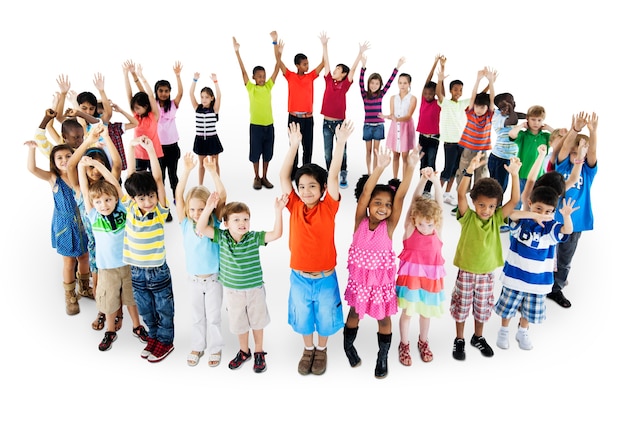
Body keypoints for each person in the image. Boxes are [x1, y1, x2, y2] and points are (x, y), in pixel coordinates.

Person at [279, 120, 354, 376]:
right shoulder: (294, 206)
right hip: (299, 277)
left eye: (312, 186)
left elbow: (333, 175)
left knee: (325, 318)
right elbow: (283, 176)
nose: (306, 191)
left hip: (325, 278)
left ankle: (321, 350)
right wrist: (294, 146)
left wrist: (340, 142)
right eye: (302, 186)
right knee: (302, 317)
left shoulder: (328, 207)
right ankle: (308, 349)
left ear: (322, 189)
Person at [343, 146, 419, 379]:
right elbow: (366, 191)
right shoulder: (360, 221)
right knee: (354, 314)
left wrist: (410, 166)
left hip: (381, 285)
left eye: (387, 205)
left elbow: (402, 196)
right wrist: (380, 167)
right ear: (367, 204)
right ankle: (348, 346)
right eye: (378, 203)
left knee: (384, 318)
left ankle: (383, 355)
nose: (383, 208)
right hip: (360, 282)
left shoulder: (390, 226)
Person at [196, 191, 288, 374]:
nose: (242, 223)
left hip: (255, 289)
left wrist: (278, 211)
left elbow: (276, 234)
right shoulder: (221, 237)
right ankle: (244, 351)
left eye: (246, 219)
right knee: (239, 324)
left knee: (257, 321)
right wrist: (208, 209)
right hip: (233, 291)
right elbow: (201, 228)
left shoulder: (254, 237)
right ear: (226, 223)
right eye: (236, 220)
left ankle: (259, 352)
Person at [450, 151, 521, 360]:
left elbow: (515, 199)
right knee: (461, 307)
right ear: (474, 203)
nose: (486, 210)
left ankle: (478, 337)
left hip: (487, 274)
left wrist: (515, 175)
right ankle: (460, 339)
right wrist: (469, 172)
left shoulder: (497, 219)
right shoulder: (467, 217)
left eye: (491, 206)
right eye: (481, 205)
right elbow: (461, 195)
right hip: (466, 272)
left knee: (482, 309)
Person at [77, 155, 149, 351]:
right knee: (109, 302)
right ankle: (110, 331)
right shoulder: (93, 215)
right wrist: (82, 168)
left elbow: (115, 185)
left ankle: (137, 326)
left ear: (115, 200)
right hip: (107, 269)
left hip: (127, 265)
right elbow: (85, 192)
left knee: (131, 298)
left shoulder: (122, 210)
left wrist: (98, 165)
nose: (104, 205)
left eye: (108, 200)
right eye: (99, 202)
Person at [494, 186, 576, 351]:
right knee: (507, 307)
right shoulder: (523, 221)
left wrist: (566, 216)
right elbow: (513, 215)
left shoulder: (551, 227)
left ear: (553, 211)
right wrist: (534, 215)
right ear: (530, 203)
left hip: (538, 280)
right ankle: (503, 331)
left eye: (547, 211)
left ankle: (523, 331)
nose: (543, 214)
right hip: (515, 275)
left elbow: (567, 230)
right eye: (539, 208)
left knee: (529, 310)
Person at [123, 136, 175, 363]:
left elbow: (157, 178)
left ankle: (166, 341)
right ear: (134, 199)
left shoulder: (160, 211)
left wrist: (151, 150)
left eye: (151, 196)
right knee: (145, 309)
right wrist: (132, 149)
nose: (148, 201)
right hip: (135, 270)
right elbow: (129, 178)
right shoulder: (131, 208)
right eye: (142, 197)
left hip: (157, 270)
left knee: (163, 308)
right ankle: (153, 336)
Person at [67, 123, 123, 329]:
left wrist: (107, 138)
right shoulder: (80, 189)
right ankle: (103, 311)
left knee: (118, 282)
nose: (95, 170)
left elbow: (116, 163)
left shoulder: (110, 187)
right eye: (91, 166)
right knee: (98, 283)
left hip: (115, 244)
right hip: (95, 246)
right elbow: (72, 165)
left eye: (99, 165)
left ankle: (118, 313)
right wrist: (88, 143)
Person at [25, 136, 88, 316]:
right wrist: (32, 149)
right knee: (69, 261)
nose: (64, 160)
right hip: (65, 225)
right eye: (59, 157)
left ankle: (84, 287)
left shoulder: (79, 175)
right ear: (53, 161)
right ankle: (70, 295)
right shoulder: (54, 178)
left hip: (82, 223)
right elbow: (32, 169)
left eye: (68, 156)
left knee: (84, 257)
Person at [175, 153, 226, 367]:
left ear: (209, 207)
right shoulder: (185, 223)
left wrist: (213, 173)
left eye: (201, 208)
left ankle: (215, 348)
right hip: (194, 280)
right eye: (193, 209)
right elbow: (179, 196)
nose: (196, 213)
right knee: (197, 316)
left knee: (213, 317)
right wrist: (186, 171)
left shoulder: (213, 223)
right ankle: (198, 345)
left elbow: (222, 195)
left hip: (214, 279)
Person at [396, 166, 446, 365]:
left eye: (430, 224)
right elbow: (412, 203)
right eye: (421, 224)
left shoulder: (437, 230)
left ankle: (423, 341)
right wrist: (422, 180)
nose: (426, 228)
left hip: (430, 280)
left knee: (426, 313)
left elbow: (440, 206)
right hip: (412, 280)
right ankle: (404, 344)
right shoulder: (410, 229)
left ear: (436, 222)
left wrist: (435, 182)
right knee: (408, 313)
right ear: (413, 221)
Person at [547, 112, 598, 308]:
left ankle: (556, 287)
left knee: (565, 257)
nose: (577, 155)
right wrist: (575, 129)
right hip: (554, 219)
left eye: (581, 153)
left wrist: (593, 133)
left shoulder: (587, 170)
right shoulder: (563, 165)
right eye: (575, 151)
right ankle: (540, 284)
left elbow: (592, 154)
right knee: (548, 252)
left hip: (575, 222)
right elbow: (566, 147)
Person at [272, 30, 324, 179]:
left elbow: (323, 63)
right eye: (304, 64)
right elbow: (278, 61)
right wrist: (275, 43)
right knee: (294, 147)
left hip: (308, 119)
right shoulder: (290, 76)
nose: (307, 66)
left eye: (308, 63)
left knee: (308, 147)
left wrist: (323, 46)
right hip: (294, 118)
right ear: (297, 65)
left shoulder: (311, 76)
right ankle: (293, 172)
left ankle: (306, 171)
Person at [319, 34, 369, 188]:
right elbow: (326, 62)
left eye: (338, 69)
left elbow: (353, 69)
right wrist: (324, 45)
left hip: (340, 124)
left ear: (343, 75)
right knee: (328, 152)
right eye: (335, 68)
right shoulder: (328, 80)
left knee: (343, 151)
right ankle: (330, 175)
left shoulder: (345, 84)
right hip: (326, 122)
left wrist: (360, 53)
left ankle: (343, 172)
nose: (334, 70)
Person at [233, 35, 281, 190]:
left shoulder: (268, 86)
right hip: (256, 126)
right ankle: (256, 177)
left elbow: (277, 68)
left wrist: (277, 49)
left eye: (264, 76)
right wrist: (237, 52)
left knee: (267, 153)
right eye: (259, 76)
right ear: (254, 77)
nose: (262, 78)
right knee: (255, 154)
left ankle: (265, 177)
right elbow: (243, 71)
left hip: (269, 125)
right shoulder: (251, 88)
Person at [359, 55, 405, 174]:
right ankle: (369, 172)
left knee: (376, 151)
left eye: (377, 84)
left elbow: (390, 82)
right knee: (368, 151)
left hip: (378, 125)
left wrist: (397, 67)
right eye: (372, 83)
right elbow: (360, 82)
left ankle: (374, 172)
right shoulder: (365, 95)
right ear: (369, 84)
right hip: (368, 126)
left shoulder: (380, 94)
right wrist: (363, 67)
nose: (374, 85)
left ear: (380, 85)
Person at [453, 67, 497, 188]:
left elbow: (492, 99)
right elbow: (473, 97)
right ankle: (461, 198)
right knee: (463, 173)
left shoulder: (489, 116)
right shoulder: (471, 113)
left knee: (481, 177)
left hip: (482, 150)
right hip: (468, 149)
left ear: (487, 108)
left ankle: (477, 198)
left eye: (482, 107)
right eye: (477, 106)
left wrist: (491, 82)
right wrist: (478, 80)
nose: (478, 110)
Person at [508, 105, 554, 208]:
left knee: (535, 202)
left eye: (539, 120)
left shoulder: (545, 137)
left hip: (539, 177)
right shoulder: (523, 135)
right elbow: (511, 134)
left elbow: (560, 138)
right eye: (533, 119)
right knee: (517, 200)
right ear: (527, 119)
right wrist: (521, 126)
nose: (536, 123)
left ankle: (529, 221)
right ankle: (512, 223)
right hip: (523, 174)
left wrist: (548, 128)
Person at [123, 60, 164, 173]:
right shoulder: (136, 116)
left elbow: (150, 95)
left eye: (138, 108)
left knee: (157, 182)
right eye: (134, 108)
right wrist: (126, 74)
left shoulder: (153, 115)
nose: (135, 110)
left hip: (155, 153)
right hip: (139, 154)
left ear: (146, 106)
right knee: (139, 184)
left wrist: (141, 76)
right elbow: (129, 94)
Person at [155, 61, 184, 200]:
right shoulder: (153, 105)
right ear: (156, 92)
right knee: (160, 176)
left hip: (172, 146)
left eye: (166, 91)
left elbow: (181, 92)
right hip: (157, 147)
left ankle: (176, 197)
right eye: (161, 90)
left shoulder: (173, 104)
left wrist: (178, 76)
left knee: (173, 175)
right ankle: (161, 200)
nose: (164, 93)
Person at [488, 92, 526, 194]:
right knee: (498, 188)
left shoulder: (510, 114)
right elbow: (513, 121)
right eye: (504, 105)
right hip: (500, 158)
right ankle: (496, 207)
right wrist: (510, 108)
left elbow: (518, 115)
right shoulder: (498, 116)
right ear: (499, 107)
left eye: (510, 102)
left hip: (507, 158)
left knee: (499, 187)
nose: (507, 106)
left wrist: (530, 116)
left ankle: (495, 206)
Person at [415, 55, 443, 195]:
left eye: (430, 93)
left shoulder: (438, 102)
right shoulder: (423, 100)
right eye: (425, 93)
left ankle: (427, 190)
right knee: (421, 162)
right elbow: (427, 80)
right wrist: (434, 63)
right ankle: (421, 186)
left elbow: (440, 91)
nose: (427, 95)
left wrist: (441, 72)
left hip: (433, 138)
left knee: (430, 162)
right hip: (422, 137)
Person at [381, 73, 417, 180]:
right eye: (400, 83)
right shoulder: (393, 98)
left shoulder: (412, 98)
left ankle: (405, 180)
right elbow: (392, 114)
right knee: (395, 156)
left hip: (406, 128)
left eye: (405, 83)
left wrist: (397, 119)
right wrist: (387, 116)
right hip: (395, 128)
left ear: (409, 84)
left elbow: (409, 116)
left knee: (405, 156)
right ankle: (395, 179)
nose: (402, 85)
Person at [189, 71, 223, 183]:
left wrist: (215, 82)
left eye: (207, 97)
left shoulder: (214, 109)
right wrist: (195, 80)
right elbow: (190, 93)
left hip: (212, 139)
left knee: (214, 164)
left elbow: (219, 96)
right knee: (202, 165)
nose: (204, 99)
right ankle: (200, 185)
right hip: (200, 140)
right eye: (202, 97)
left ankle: (218, 183)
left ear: (211, 98)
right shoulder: (197, 108)